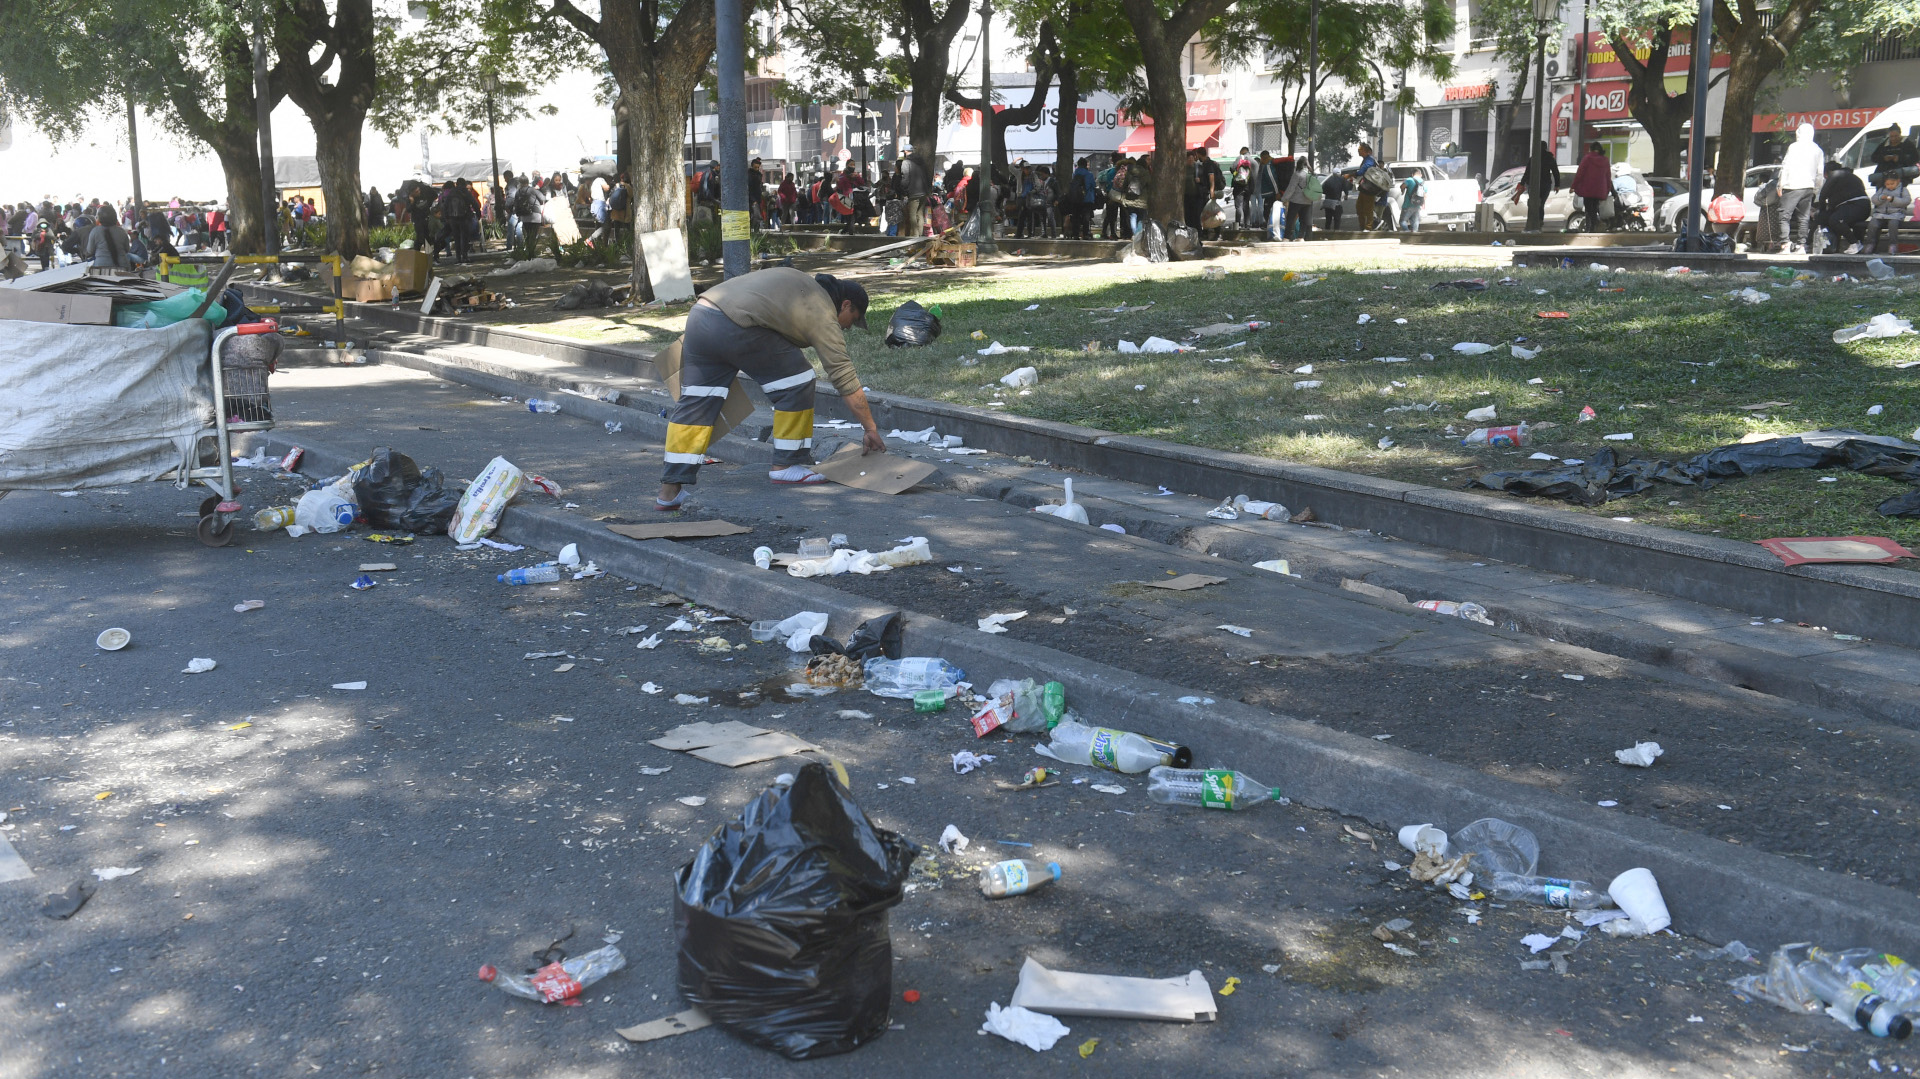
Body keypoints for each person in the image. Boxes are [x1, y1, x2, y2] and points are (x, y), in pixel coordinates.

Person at [655, 269, 883, 510]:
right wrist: (870, 427)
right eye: (853, 319)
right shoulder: (821, 307)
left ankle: (668, 492)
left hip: (701, 317)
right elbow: (842, 373)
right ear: (845, 304)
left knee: (697, 403)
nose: (848, 328)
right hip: (735, 324)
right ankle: (786, 465)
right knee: (798, 380)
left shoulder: (799, 283)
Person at [1776, 122, 1824, 253]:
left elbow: (1786, 166)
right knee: (1804, 217)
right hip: (1808, 186)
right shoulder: (1818, 150)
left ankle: (1785, 244)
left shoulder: (1794, 147)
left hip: (1792, 185)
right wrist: (1816, 189)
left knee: (1784, 215)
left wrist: (1781, 183)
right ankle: (1801, 245)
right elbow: (1820, 173)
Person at [1814, 160, 1870, 254]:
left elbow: (1823, 195)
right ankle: (1830, 246)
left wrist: (1821, 209)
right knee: (1825, 217)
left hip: (1856, 206)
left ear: (1826, 173)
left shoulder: (1836, 174)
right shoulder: (1849, 177)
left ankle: (1855, 243)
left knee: (1835, 219)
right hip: (1860, 208)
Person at [1569, 141, 1612, 232]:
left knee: (1588, 208)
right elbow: (1608, 176)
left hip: (1588, 189)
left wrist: (1573, 186)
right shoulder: (1605, 160)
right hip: (1600, 189)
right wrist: (1607, 189)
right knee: (1595, 207)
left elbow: (1580, 173)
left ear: (1591, 149)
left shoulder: (1587, 158)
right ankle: (1593, 227)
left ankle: (1596, 222)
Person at [1864, 173, 1911, 255]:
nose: (1889, 186)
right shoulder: (1881, 190)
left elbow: (1906, 201)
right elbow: (1874, 199)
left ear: (1898, 181)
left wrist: (1893, 199)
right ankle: (1870, 244)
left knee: (1893, 225)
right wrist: (1880, 198)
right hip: (1880, 214)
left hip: (1896, 214)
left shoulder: (1903, 190)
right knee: (1873, 225)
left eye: (1892, 184)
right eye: (1887, 184)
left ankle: (1893, 244)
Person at [1187, 147, 1223, 232]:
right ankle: (1207, 231)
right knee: (1206, 213)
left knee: (1209, 213)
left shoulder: (1208, 164)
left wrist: (1211, 192)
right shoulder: (1206, 163)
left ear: (1198, 154)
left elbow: (1211, 178)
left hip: (1207, 193)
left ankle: (1216, 231)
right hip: (1205, 192)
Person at [899, 150, 931, 237]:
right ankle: (920, 234)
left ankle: (915, 235)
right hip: (923, 192)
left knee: (912, 215)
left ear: (905, 151)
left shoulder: (906, 162)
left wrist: (903, 189)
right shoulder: (921, 162)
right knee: (920, 214)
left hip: (913, 192)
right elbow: (928, 176)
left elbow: (905, 177)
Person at [1350, 143, 1380, 231]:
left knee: (1368, 208)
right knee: (1359, 207)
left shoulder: (1370, 160)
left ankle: (1369, 227)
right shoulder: (1366, 159)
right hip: (1364, 187)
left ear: (1366, 151)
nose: (1359, 151)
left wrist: (1351, 174)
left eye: (1361, 149)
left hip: (1370, 188)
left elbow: (1363, 171)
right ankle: (1362, 227)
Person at [1283, 161, 1315, 241]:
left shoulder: (1297, 174)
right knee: (1303, 219)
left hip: (1296, 200)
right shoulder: (1311, 175)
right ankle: (1300, 237)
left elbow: (1291, 188)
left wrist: (1284, 199)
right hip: (1307, 200)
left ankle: (1287, 237)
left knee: (1290, 218)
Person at [1067, 157, 1095, 240]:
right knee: (1086, 217)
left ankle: (1076, 234)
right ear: (1086, 165)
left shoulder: (1074, 174)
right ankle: (1085, 234)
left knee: (1076, 217)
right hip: (1087, 199)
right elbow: (1092, 185)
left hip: (1075, 199)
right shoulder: (1089, 174)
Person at [1231, 147, 1253, 230]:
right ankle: (1247, 224)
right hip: (1248, 186)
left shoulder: (1239, 158)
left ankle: (1238, 224)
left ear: (1241, 152)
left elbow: (1232, 168)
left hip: (1238, 186)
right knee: (1246, 205)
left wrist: (1235, 173)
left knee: (1238, 206)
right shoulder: (1251, 160)